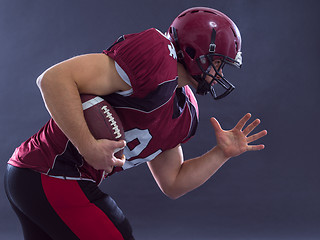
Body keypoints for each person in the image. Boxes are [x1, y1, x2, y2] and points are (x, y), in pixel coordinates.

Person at [4, 7, 267, 240]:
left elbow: (172, 183)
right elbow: (52, 79)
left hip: (40, 177)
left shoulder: (185, 111)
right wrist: (88, 147)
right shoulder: (156, 58)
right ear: (193, 50)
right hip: (50, 172)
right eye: (217, 63)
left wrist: (220, 154)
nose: (219, 74)